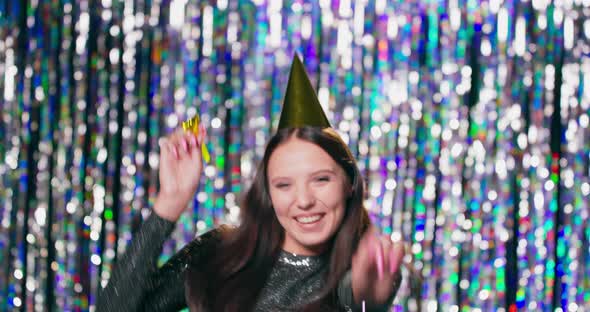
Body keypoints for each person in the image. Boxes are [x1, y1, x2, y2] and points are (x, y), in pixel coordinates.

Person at [96, 55, 405, 311]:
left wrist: (369, 305)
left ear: (348, 183)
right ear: (268, 193)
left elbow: (361, 295)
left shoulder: (365, 270)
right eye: (284, 184)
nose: (304, 200)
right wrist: (169, 204)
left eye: (321, 179)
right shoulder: (221, 254)